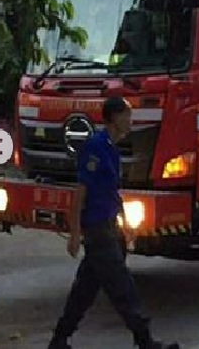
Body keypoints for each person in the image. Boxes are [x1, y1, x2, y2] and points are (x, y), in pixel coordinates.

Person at [48, 97, 179, 349]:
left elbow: (111, 192)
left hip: (109, 226)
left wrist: (125, 224)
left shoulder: (111, 148)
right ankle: (145, 341)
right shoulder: (95, 146)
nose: (131, 121)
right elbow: (80, 192)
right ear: (115, 117)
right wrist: (75, 232)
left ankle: (59, 339)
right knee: (123, 288)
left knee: (84, 290)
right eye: (127, 115)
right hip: (97, 230)